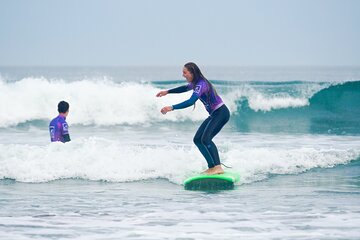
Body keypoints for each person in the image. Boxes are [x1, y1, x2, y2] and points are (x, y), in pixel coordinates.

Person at [156, 62, 230, 175]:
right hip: (214, 114)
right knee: (197, 140)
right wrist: (167, 92)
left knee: (206, 139)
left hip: (221, 113)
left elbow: (191, 101)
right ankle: (211, 167)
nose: (183, 75)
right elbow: (184, 88)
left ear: (192, 72)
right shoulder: (195, 83)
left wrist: (172, 107)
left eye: (185, 72)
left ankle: (218, 167)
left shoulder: (201, 84)